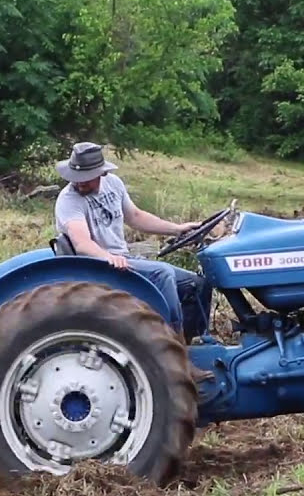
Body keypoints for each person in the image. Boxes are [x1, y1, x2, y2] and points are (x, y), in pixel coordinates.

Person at [53, 141, 215, 346]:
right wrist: (109, 257)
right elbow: (82, 243)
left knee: (198, 284)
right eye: (76, 179)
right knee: (162, 274)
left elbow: (136, 217)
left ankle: (194, 344)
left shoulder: (114, 184)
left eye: (86, 179)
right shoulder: (68, 200)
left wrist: (177, 228)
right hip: (97, 264)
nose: (80, 184)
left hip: (123, 258)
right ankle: (176, 346)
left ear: (101, 173)